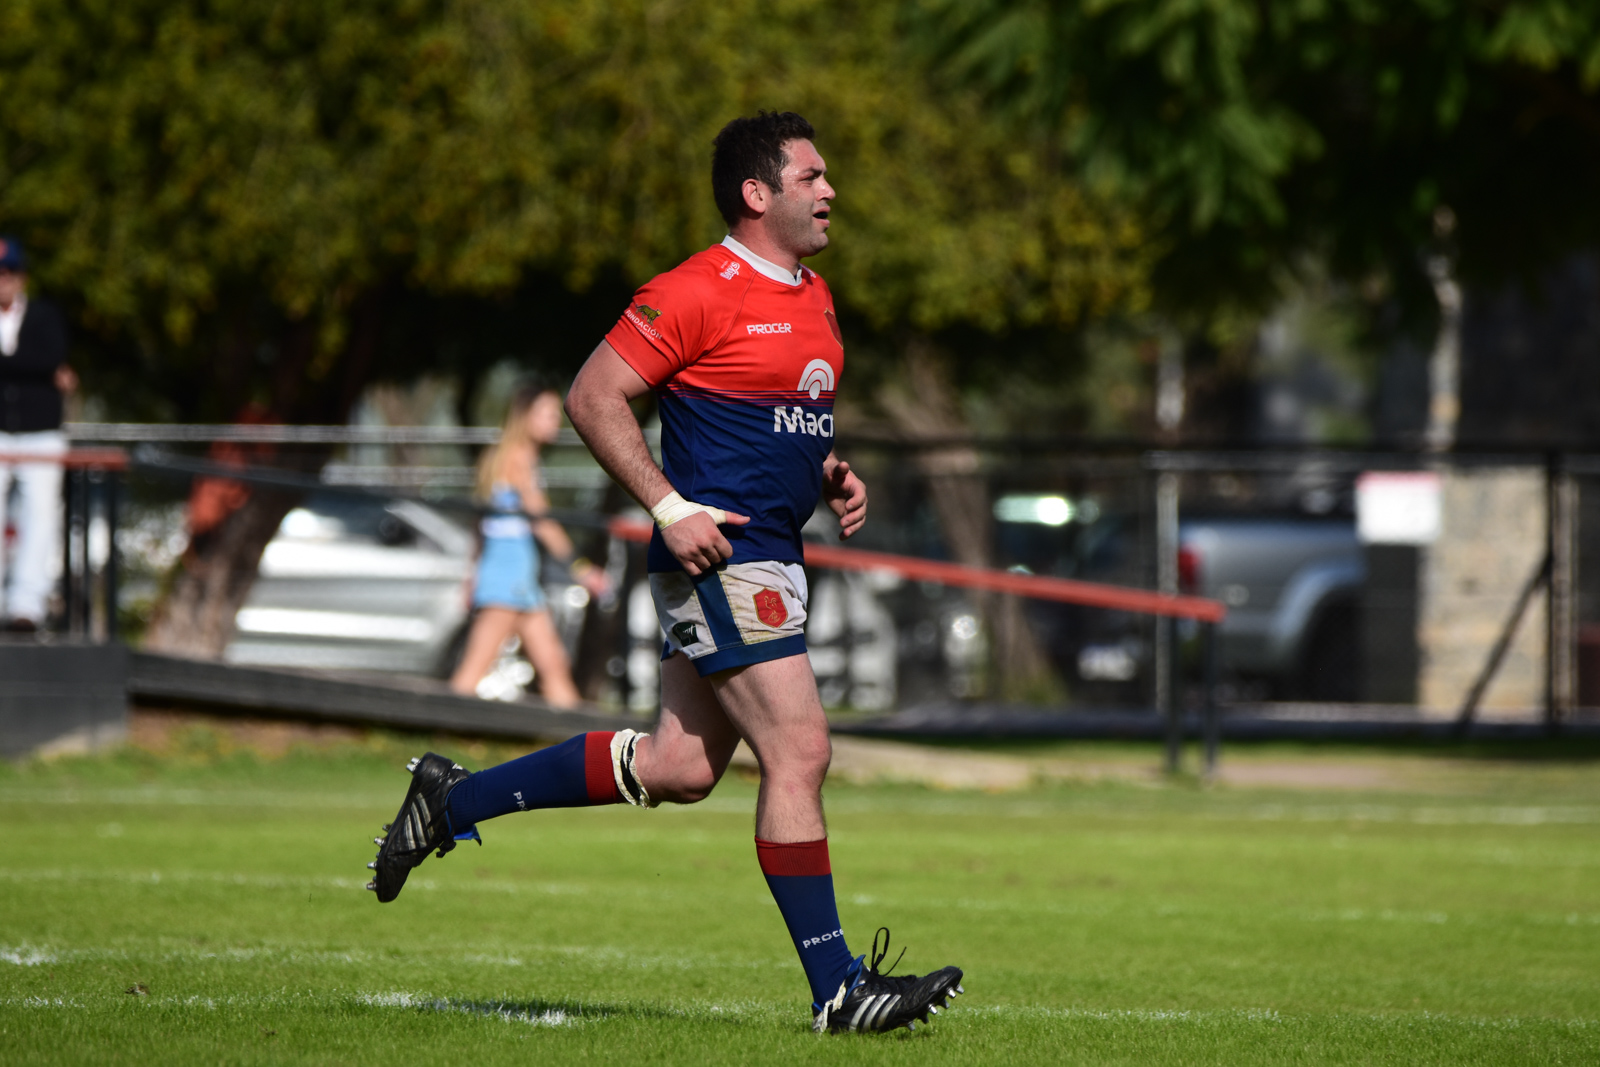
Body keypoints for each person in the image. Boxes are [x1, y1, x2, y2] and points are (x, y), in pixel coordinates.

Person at [364, 113, 963, 1034]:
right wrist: (667, 505)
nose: (830, 189)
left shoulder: (818, 296)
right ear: (757, 194)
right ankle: (839, 988)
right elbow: (592, 395)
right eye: (813, 175)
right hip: (722, 556)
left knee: (681, 767)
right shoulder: (693, 288)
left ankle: (452, 799)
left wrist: (829, 469)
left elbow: (782, 416)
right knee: (799, 750)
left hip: (776, 550)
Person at [450, 383, 606, 707]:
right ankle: (433, 738)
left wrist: (472, 575)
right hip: (508, 578)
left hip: (517, 578)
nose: (555, 421)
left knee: (553, 664)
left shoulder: (501, 457)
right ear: (525, 417)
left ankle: (579, 748)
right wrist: (581, 569)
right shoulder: (518, 459)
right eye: (547, 413)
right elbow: (542, 522)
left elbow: (480, 528)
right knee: (474, 669)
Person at [0, 237, 75, 632]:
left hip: (39, 433)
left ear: (21, 277)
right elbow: (44, 364)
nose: (2, 282)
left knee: (40, 516)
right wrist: (36, 369)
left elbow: (51, 355)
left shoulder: (44, 315)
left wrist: (15, 364)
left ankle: (26, 604)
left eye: (8, 273)